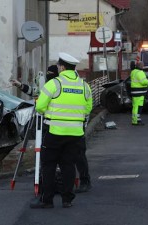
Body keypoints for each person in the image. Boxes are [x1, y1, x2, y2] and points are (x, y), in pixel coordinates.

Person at [11, 64, 93, 194]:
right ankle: (64, 191)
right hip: (55, 127)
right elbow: (35, 92)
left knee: (76, 157)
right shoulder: (52, 85)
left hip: (73, 127)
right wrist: (20, 85)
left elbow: (83, 107)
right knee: (63, 161)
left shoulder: (62, 85)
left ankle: (83, 181)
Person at [30, 52, 93, 209]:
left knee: (49, 165)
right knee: (68, 166)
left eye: (58, 66)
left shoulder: (54, 84)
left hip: (54, 132)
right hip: (76, 134)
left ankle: (47, 200)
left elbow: (39, 107)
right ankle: (67, 200)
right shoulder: (84, 86)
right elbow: (88, 108)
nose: (58, 68)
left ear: (62, 67)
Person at [130, 61, 148, 126]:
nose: (143, 67)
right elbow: (144, 82)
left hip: (134, 92)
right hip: (139, 92)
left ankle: (136, 119)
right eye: (143, 66)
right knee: (138, 107)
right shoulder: (140, 73)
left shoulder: (133, 72)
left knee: (135, 106)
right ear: (141, 66)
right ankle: (136, 120)